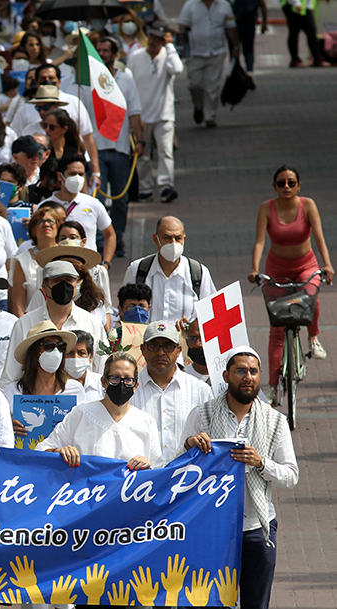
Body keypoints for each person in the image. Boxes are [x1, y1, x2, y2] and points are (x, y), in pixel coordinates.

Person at [182, 346, 298, 609]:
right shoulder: (202, 414)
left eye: (254, 371)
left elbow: (291, 476)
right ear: (225, 376)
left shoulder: (275, 421)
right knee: (208, 602)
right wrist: (191, 443)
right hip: (211, 528)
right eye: (241, 371)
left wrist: (261, 463)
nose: (248, 377)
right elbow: (178, 465)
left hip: (257, 528)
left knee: (255, 603)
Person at [248, 166, 334, 397]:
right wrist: (255, 269)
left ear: (299, 185)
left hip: (306, 265)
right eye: (281, 183)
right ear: (274, 186)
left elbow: (319, 237)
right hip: (276, 269)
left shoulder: (308, 205)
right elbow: (259, 242)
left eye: (291, 183)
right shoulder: (266, 208)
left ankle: (312, 338)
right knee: (276, 329)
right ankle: (274, 387)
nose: (286, 187)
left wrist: (327, 264)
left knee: (310, 300)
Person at [38, 352, 162, 469]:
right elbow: (42, 449)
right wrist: (59, 451)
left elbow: (159, 469)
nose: (121, 384)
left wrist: (147, 465)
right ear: (104, 382)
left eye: (128, 379)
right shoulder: (81, 414)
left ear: (136, 385)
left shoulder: (146, 422)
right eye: (115, 378)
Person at [0, 260, 108, 389]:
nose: (63, 285)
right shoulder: (25, 323)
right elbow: (12, 373)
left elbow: (102, 368)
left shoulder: (92, 323)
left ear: (76, 286)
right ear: (44, 287)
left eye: (68, 280)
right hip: (39, 401)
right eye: (57, 280)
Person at [90, 36, 145, 256]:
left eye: (106, 50)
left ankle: (118, 238)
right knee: (98, 199)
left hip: (121, 149)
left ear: (115, 55)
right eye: (99, 50)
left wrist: (140, 141)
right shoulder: (89, 81)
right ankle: (99, 242)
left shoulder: (126, 80)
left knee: (121, 199)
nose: (102, 53)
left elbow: (134, 113)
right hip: (95, 150)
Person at [132, 320, 213, 464]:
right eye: (153, 346)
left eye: (168, 346)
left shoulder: (200, 390)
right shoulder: (129, 390)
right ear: (143, 349)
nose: (160, 352)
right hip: (140, 479)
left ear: (179, 351)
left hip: (188, 479)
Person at [123, 216, 216, 324]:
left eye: (178, 238)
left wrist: (192, 327)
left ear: (184, 239)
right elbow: (124, 309)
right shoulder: (138, 269)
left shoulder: (199, 273)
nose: (173, 243)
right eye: (167, 238)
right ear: (155, 239)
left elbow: (211, 314)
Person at [128, 24, 183, 203]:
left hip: (163, 115)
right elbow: (129, 84)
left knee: (165, 152)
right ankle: (145, 189)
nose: (153, 41)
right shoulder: (136, 57)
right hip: (141, 116)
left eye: (157, 38)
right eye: (151, 36)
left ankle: (166, 186)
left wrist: (170, 46)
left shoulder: (169, 56)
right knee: (142, 155)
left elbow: (177, 69)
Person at [39, 154, 116, 264]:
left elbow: (110, 235)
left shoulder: (93, 204)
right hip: (55, 269)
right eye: (72, 174)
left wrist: (106, 264)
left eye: (81, 174)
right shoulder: (45, 206)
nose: (77, 178)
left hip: (88, 269)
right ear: (60, 176)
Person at [177, 0, 240, 128]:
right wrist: (183, 48)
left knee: (213, 85)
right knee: (195, 84)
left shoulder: (224, 5)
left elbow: (231, 27)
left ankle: (210, 115)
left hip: (216, 51)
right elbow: (182, 26)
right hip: (195, 53)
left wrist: (236, 46)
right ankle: (198, 105)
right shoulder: (190, 5)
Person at [3, 321, 86, 416]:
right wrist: (11, 426)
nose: (55, 351)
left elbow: (81, 424)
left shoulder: (75, 389)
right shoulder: (13, 391)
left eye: (60, 346)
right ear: (35, 351)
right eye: (49, 345)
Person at [10, 203, 67, 317]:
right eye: (40, 222)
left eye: (51, 221)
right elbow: (18, 305)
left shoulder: (68, 255)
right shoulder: (22, 261)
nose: (46, 224)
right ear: (33, 230)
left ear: (58, 226)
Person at [282, 0, 326, 67]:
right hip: (294, 7)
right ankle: (295, 59)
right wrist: (296, 4)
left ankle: (317, 58)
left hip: (304, 8)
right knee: (295, 33)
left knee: (311, 33)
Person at [65, 329, 104, 401]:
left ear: (91, 357)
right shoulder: (56, 387)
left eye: (81, 353)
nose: (75, 357)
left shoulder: (102, 384)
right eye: (70, 353)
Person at [183, 318, 211, 384]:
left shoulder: (230, 377)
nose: (197, 344)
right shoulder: (181, 377)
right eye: (192, 339)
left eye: (203, 339)